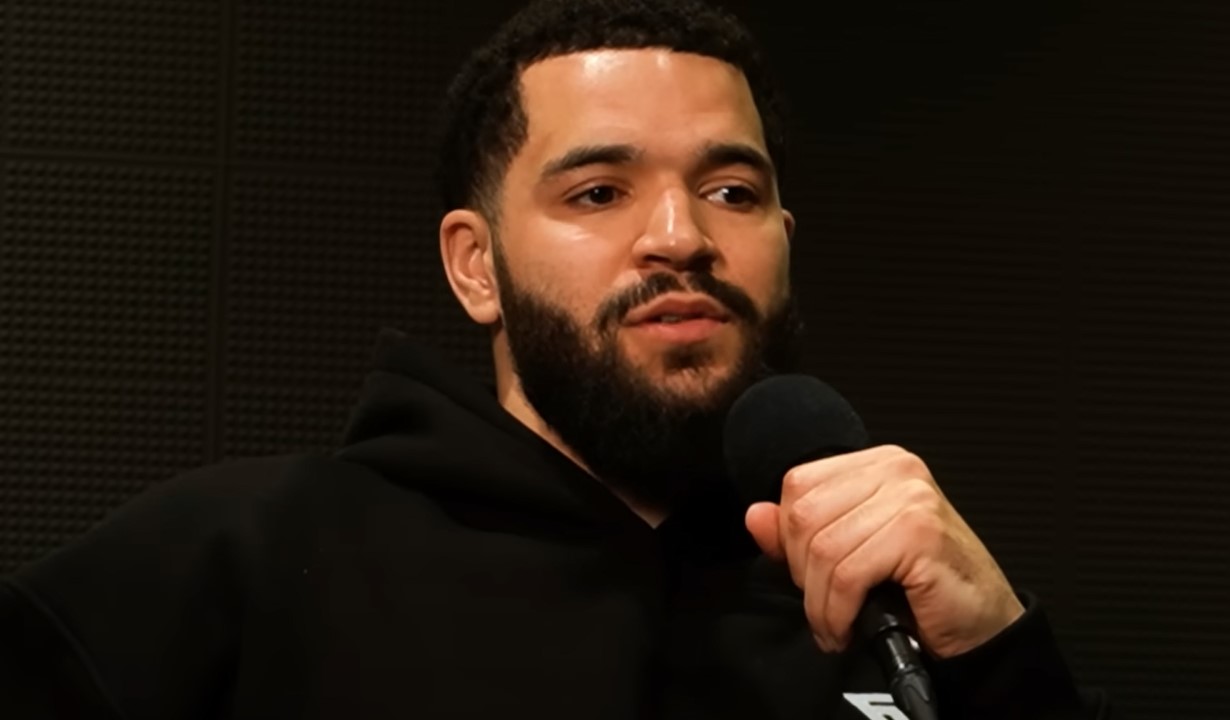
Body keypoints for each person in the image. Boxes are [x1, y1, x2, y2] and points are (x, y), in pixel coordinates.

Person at [0, 0, 1108, 717]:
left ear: (784, 242)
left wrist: (1003, 662)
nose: (681, 236)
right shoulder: (238, 559)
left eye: (732, 191)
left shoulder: (886, 606)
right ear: (475, 266)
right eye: (599, 191)